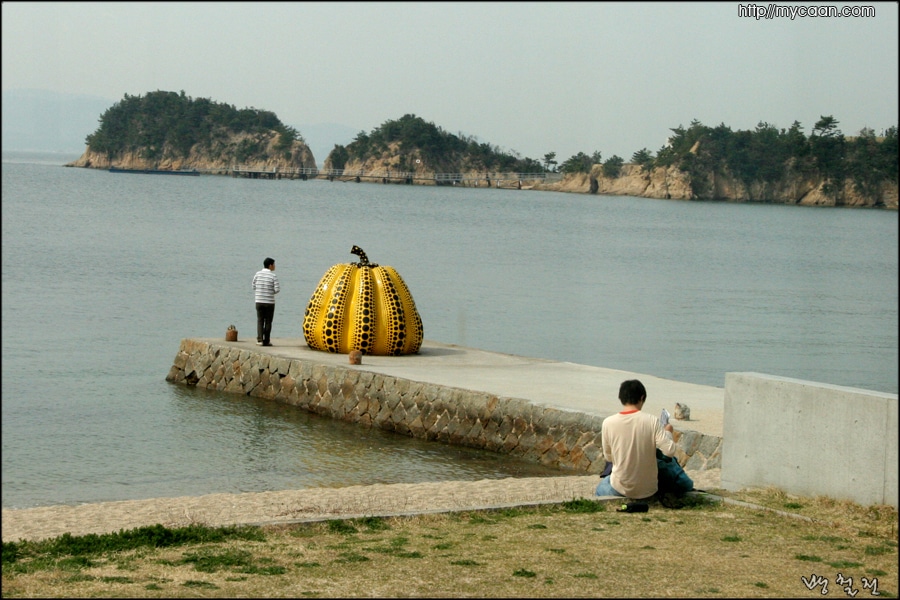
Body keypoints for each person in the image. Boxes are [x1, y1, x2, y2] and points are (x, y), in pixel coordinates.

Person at [595, 379, 679, 499]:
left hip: (621, 487)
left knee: (600, 489)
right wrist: (668, 432)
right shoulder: (652, 421)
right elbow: (669, 451)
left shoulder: (608, 423)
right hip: (649, 489)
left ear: (621, 397)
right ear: (642, 397)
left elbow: (609, 457)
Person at [251, 257, 279, 346]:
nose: (274, 266)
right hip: (269, 302)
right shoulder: (273, 276)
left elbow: (253, 286)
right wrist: (270, 292)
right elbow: (277, 289)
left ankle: (259, 340)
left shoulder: (257, 274)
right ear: (270, 265)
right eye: (274, 264)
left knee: (260, 320)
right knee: (268, 322)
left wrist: (260, 292)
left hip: (259, 301)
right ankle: (266, 340)